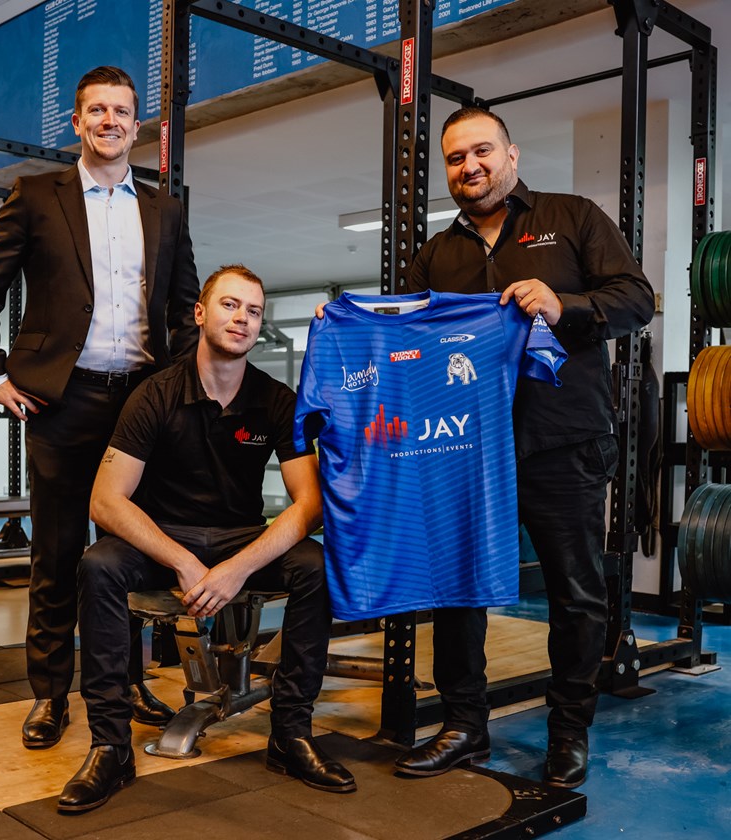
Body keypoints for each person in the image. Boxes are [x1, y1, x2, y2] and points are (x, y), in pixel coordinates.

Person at [391, 106, 655, 788]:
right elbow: (407, 348)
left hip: (561, 443)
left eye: (481, 152)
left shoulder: (573, 219)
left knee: (576, 593)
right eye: (455, 159)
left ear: (512, 153)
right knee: (458, 593)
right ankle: (464, 727)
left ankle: (568, 733)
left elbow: (635, 298)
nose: (469, 167)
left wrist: (562, 303)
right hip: (463, 451)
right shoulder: (436, 253)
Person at [0, 66, 200, 749]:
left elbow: (184, 307)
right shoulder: (37, 195)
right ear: (77, 121)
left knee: (125, 558)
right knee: (59, 555)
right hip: (63, 402)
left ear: (136, 124)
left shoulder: (165, 209)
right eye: (96, 110)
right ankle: (49, 695)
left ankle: (123, 683)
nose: (109, 121)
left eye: (121, 111)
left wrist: (176, 384)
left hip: (140, 407)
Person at [57, 265, 356, 813]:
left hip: (239, 538)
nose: (242, 318)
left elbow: (310, 505)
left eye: (253, 311)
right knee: (99, 565)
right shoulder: (155, 396)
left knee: (317, 566)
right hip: (165, 537)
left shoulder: (275, 400)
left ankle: (291, 735)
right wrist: (183, 562)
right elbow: (105, 500)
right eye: (229, 305)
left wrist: (236, 567)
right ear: (200, 313)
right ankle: (110, 747)